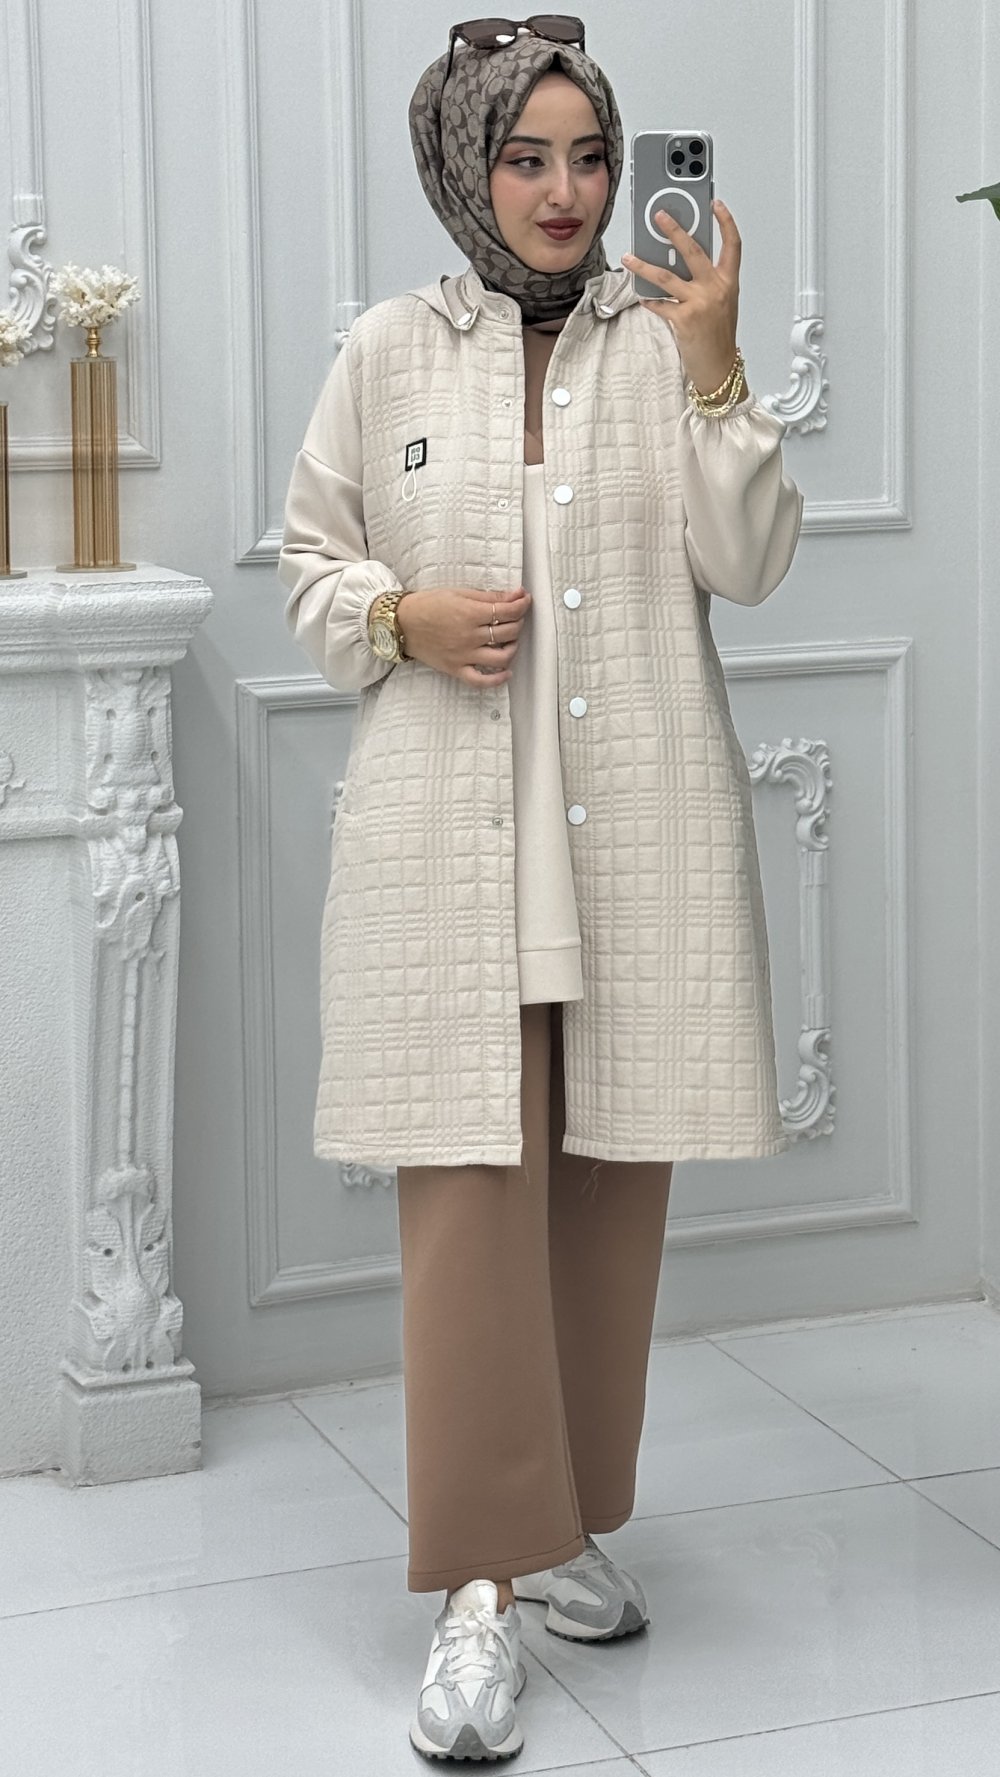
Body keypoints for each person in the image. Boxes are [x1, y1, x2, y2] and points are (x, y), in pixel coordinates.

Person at [278, 17, 804, 1763]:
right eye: (527, 158)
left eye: (589, 156)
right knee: (468, 1222)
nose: (566, 191)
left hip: (630, 843)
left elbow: (750, 560)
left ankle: (561, 1525)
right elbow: (307, 563)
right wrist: (399, 617)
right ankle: (479, 1597)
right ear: (467, 168)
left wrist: (718, 365)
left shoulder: (664, 345)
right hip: (448, 853)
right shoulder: (385, 351)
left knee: (602, 1214)